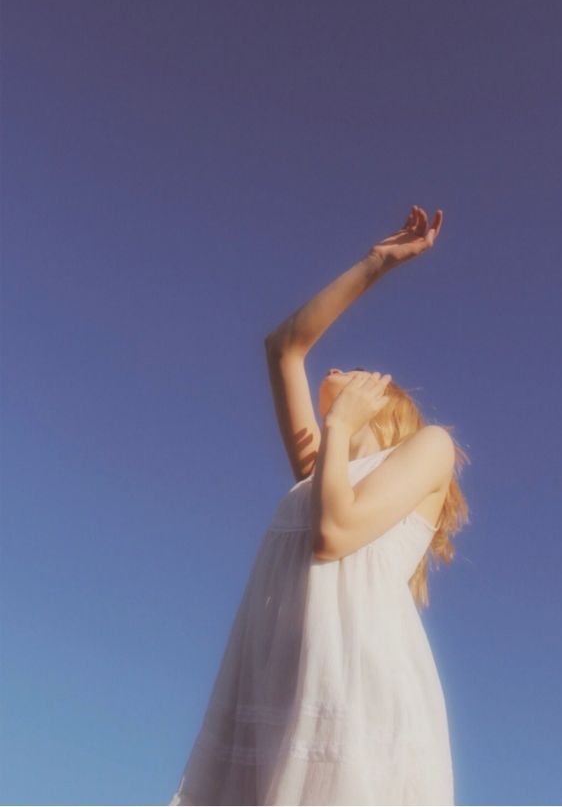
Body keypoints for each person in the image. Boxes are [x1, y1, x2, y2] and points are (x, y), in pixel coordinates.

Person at [168, 205, 470, 805]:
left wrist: (339, 421)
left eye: (357, 369)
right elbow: (284, 347)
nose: (339, 365)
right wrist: (377, 262)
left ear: (391, 406)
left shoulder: (430, 445)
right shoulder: (319, 476)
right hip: (280, 687)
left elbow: (335, 532)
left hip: (356, 690)